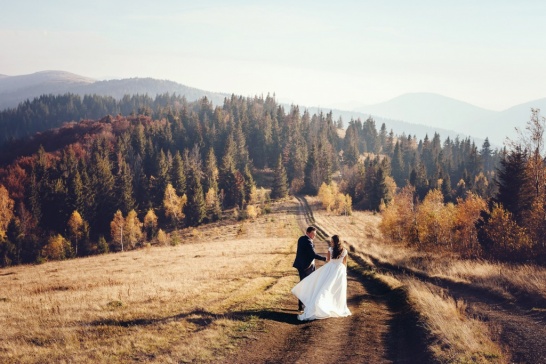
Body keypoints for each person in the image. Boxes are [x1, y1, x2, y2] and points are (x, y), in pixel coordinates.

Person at [291, 235, 351, 321]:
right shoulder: (344, 251)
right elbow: (345, 263)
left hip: (330, 269)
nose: (331, 242)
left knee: (325, 287)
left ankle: (321, 305)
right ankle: (335, 307)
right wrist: (344, 272)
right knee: (336, 290)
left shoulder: (330, 249)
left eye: (332, 241)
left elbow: (328, 260)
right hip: (340, 271)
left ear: (335, 242)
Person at [292, 226, 327, 311]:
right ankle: (304, 305)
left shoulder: (301, 238)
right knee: (308, 285)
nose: (314, 236)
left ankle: (302, 305)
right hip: (306, 267)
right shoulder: (308, 241)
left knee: (304, 285)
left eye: (315, 234)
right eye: (313, 234)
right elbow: (313, 254)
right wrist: (325, 258)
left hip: (301, 265)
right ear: (308, 233)